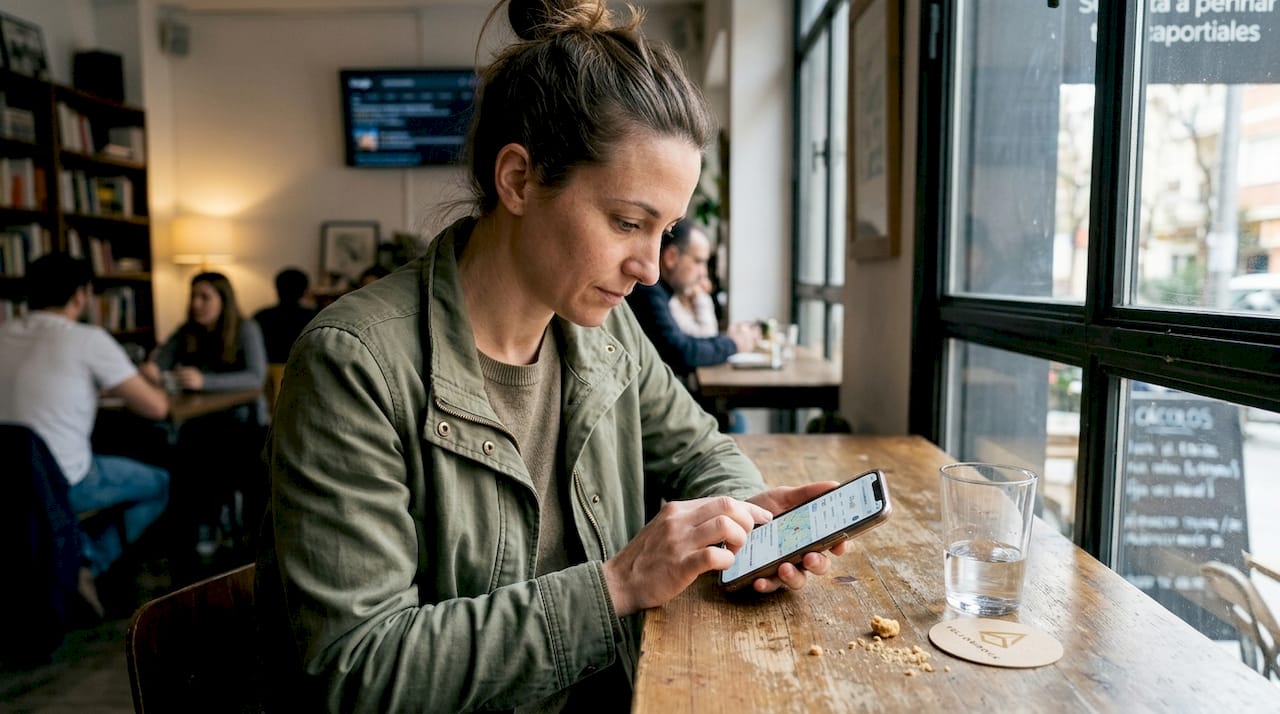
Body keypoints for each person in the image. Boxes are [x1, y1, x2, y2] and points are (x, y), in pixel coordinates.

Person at [256, 2, 848, 711]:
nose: (650, 269)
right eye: (627, 222)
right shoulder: (353, 367)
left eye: (664, 231)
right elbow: (360, 668)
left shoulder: (604, 332)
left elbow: (701, 449)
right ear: (518, 180)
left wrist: (742, 519)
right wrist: (617, 585)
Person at [0, 253, 170, 616]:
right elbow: (156, 408)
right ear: (81, 295)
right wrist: (151, 379)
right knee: (160, 483)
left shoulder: (3, 332)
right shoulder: (87, 340)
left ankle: (67, 557)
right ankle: (86, 561)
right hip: (62, 481)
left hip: (7, 480)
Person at [142, 272, 268, 556]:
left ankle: (210, 523)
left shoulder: (246, 328)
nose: (196, 304)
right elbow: (159, 364)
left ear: (223, 300)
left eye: (205, 297)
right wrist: (153, 371)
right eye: (193, 297)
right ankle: (194, 524)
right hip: (199, 418)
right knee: (175, 444)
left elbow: (256, 378)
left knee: (206, 448)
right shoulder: (186, 330)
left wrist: (204, 381)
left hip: (243, 421)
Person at [626, 219, 756, 380]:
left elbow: (688, 342)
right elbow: (680, 352)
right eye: (698, 262)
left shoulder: (661, 292)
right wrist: (734, 344)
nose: (703, 273)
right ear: (671, 257)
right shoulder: (648, 291)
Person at [252, 267, 318, 364]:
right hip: (301, 370)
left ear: (277, 289)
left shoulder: (259, 317)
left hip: (266, 370)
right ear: (305, 291)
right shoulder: (315, 318)